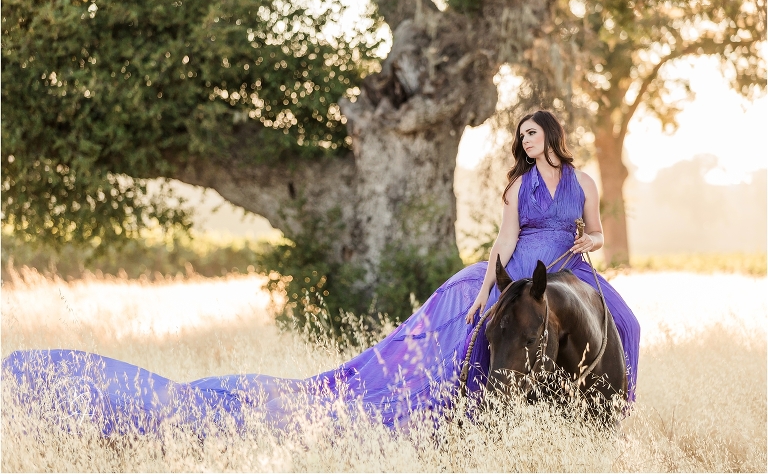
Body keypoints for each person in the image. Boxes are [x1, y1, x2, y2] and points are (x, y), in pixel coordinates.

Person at [2, 110, 639, 435]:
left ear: (551, 134)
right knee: (472, 335)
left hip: (569, 267)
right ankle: (470, 416)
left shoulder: (581, 181)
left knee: (625, 323)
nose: (526, 143)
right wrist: (484, 289)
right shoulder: (518, 187)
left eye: (533, 135)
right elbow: (504, 239)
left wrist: (586, 244)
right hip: (516, 270)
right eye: (520, 137)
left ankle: (609, 407)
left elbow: (599, 233)